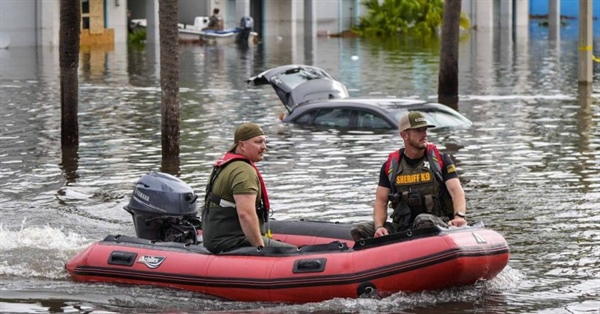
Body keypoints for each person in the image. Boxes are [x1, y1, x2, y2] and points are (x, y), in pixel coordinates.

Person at [350, 111, 468, 241]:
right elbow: (381, 201)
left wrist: (459, 217)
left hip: (437, 223)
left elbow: (456, 192)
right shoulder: (391, 166)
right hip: (403, 228)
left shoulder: (440, 160)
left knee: (422, 220)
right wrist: (379, 227)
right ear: (404, 135)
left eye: (425, 130)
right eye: (418, 130)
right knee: (359, 230)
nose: (424, 134)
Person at [201, 122, 295, 253]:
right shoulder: (243, 171)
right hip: (231, 241)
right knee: (294, 252)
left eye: (264, 142)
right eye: (258, 142)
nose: (264, 147)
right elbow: (245, 214)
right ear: (242, 145)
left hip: (217, 238)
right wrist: (261, 248)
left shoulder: (226, 165)